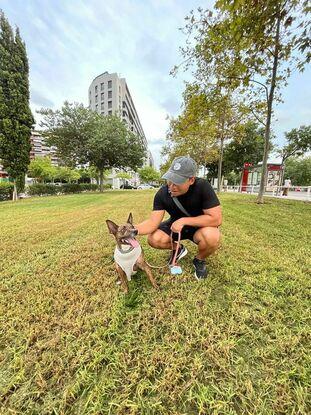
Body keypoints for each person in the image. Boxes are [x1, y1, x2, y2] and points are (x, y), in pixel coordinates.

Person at [135, 156, 222, 280]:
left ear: (191, 180)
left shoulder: (202, 187)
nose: (171, 186)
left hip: (199, 227)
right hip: (175, 227)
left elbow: (216, 219)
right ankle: (179, 249)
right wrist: (133, 229)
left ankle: (199, 259)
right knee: (154, 238)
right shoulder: (162, 193)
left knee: (212, 236)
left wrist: (184, 220)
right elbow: (152, 222)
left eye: (177, 181)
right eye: (170, 179)